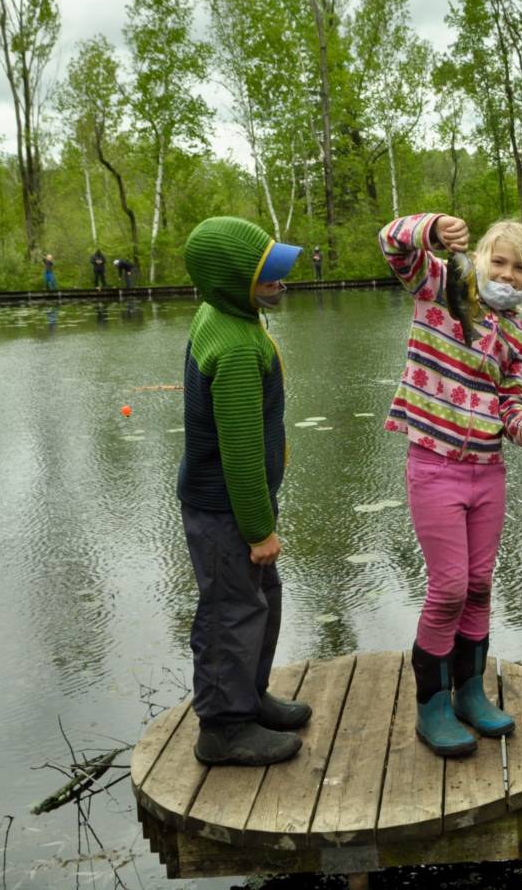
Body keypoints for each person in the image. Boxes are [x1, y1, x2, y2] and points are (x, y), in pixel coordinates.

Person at [379, 212, 522, 756]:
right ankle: (431, 707)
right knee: (450, 588)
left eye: (519, 268)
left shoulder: (521, 335)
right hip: (434, 465)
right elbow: (394, 246)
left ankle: (470, 693)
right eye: (498, 261)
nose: (506, 274)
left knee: (480, 584)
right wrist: (431, 229)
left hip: (488, 470)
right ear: (478, 259)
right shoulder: (440, 287)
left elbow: (512, 401)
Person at [176, 216, 310, 766]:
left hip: (236, 505)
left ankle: (248, 697)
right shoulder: (233, 347)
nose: (279, 281)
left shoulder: (225, 311)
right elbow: (238, 451)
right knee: (230, 612)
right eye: (266, 275)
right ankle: (224, 728)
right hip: (228, 507)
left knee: (260, 601)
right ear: (232, 281)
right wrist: (258, 529)